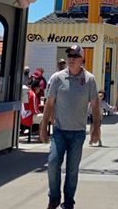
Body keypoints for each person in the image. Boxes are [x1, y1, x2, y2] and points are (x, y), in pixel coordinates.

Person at [40, 45, 100, 209]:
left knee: (72, 170)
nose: (71, 59)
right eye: (69, 56)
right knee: (53, 164)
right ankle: (54, 197)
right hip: (59, 131)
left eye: (75, 56)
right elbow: (49, 103)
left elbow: (95, 106)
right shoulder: (58, 78)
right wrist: (43, 126)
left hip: (78, 133)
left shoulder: (89, 79)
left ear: (82, 59)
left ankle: (68, 202)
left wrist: (96, 129)